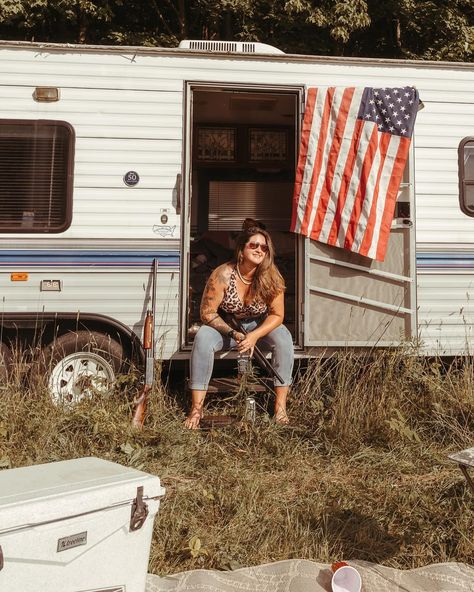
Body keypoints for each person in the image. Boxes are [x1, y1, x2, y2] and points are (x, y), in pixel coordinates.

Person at [185, 219, 294, 429]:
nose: (259, 250)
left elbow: (277, 314)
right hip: (227, 327)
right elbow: (207, 313)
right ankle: (196, 410)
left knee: (283, 337)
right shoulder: (223, 274)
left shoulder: (272, 277)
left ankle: (280, 407)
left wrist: (254, 336)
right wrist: (234, 334)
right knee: (203, 338)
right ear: (241, 250)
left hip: (258, 328)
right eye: (253, 245)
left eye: (263, 247)